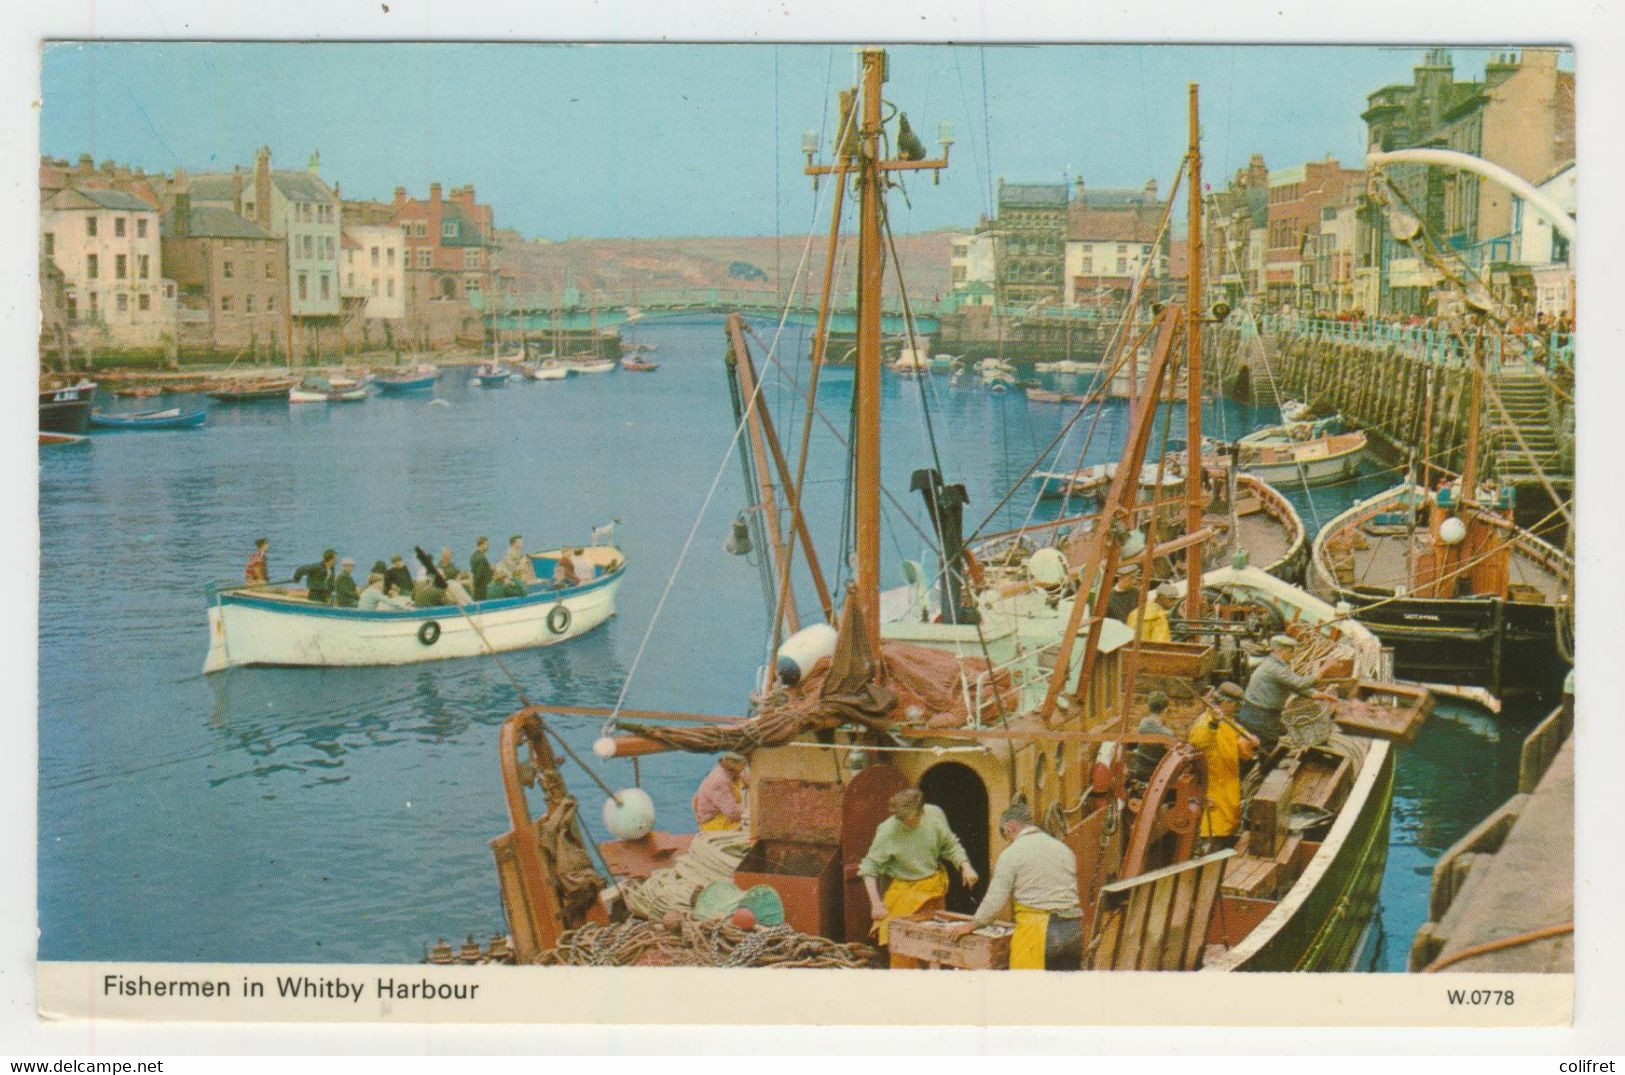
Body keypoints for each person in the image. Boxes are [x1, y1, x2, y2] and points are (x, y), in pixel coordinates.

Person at [945, 802, 1083, 970]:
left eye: (1005, 834)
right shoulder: (1064, 850)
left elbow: (995, 901)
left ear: (1011, 826)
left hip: (1040, 932)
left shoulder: (1011, 854)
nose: (1007, 840)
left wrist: (971, 925)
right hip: (1074, 930)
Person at [858, 789, 978, 947]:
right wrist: (876, 904)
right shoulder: (887, 830)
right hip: (902, 890)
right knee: (900, 941)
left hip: (932, 888)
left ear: (922, 812)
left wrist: (965, 866)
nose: (904, 823)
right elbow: (869, 867)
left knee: (934, 940)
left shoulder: (935, 814)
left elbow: (950, 845)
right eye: (901, 819)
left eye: (910, 819)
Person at [1240, 634, 1338, 753]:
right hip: (1260, 715)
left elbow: (1299, 689)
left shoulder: (1276, 665)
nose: (1292, 655)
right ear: (1280, 651)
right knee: (1266, 745)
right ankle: (1259, 768)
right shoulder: (1275, 668)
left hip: (1259, 712)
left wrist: (1326, 696)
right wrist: (1325, 667)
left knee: (1257, 744)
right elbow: (1301, 683)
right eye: (1291, 651)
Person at [1188, 682, 1258, 848]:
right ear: (1226, 703)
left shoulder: (1227, 721)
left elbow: (1237, 739)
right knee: (1216, 830)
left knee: (1229, 825)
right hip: (1215, 786)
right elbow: (1198, 743)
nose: (1237, 708)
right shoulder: (1205, 722)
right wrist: (1214, 723)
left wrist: (1249, 741)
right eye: (1236, 705)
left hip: (1229, 783)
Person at [691, 751, 749, 832]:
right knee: (753, 827)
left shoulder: (726, 770)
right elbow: (733, 814)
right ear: (733, 764)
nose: (744, 768)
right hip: (714, 823)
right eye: (744, 765)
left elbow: (744, 778)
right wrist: (752, 811)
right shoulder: (720, 781)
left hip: (724, 814)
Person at [1127, 690, 1176, 783]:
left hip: (1140, 772)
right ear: (1165, 710)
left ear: (1150, 707)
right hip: (1156, 777)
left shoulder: (1143, 724)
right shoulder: (1167, 734)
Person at [469, 536, 493, 601]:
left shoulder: (473, 556)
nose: (488, 546)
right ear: (482, 545)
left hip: (477, 588)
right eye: (487, 544)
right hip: (482, 589)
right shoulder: (481, 558)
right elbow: (479, 575)